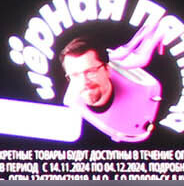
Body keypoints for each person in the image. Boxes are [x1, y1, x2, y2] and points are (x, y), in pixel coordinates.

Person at [55, 10, 170, 144]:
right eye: (75, 75)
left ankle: (151, 33)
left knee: (131, 58)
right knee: (123, 56)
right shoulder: (71, 102)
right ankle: (151, 33)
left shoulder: (142, 94)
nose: (84, 81)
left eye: (90, 71)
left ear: (107, 70)